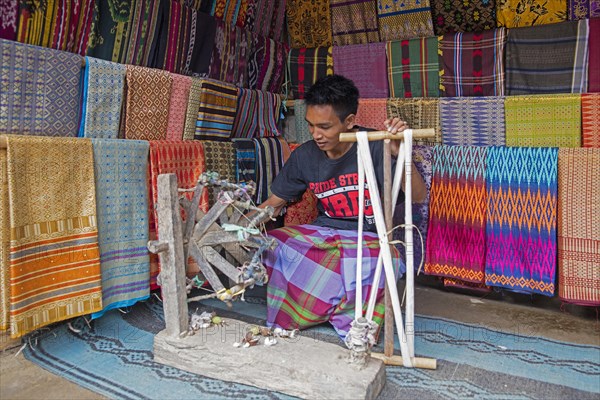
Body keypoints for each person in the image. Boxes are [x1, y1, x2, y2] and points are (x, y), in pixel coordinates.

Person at [260, 74, 426, 339]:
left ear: (349, 122)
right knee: (274, 242)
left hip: (369, 237)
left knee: (385, 260)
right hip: (325, 234)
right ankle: (323, 309)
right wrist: (238, 228)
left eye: (325, 127)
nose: (316, 134)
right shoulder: (305, 155)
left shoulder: (377, 144)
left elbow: (418, 196)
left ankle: (343, 318)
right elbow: (273, 204)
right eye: (311, 125)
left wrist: (400, 152)